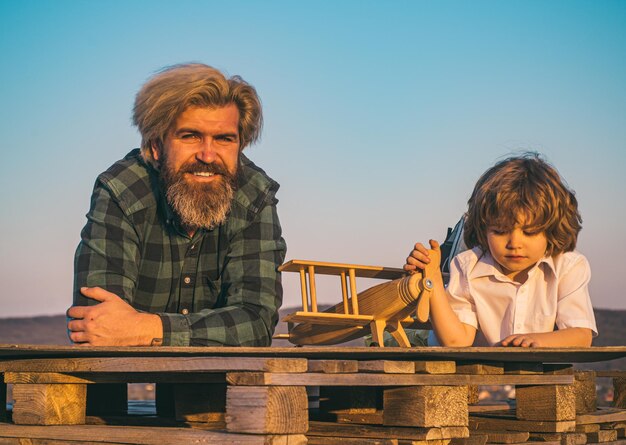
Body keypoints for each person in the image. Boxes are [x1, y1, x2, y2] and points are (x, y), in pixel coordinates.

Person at [66, 63, 287, 347]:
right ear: (157, 146)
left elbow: (256, 322)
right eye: (191, 136)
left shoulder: (254, 197)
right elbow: (97, 325)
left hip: (213, 381)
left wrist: (149, 328)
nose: (208, 155)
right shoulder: (122, 191)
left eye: (223, 139)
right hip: (119, 376)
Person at [404, 153, 597, 347]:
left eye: (529, 232)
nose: (514, 243)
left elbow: (581, 335)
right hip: (476, 372)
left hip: (532, 374)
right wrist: (434, 279)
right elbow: (456, 340)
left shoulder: (569, 266)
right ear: (483, 228)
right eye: (500, 231)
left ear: (551, 229)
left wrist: (536, 341)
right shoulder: (468, 267)